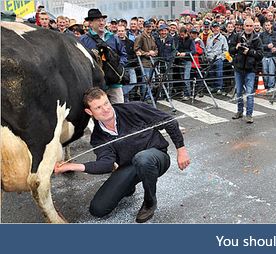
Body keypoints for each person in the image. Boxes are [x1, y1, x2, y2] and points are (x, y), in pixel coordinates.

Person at [54, 87, 190, 223]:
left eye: (106, 103)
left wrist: (181, 150)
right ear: (89, 112)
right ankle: (129, 185)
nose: (106, 109)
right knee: (98, 209)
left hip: (156, 157)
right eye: (98, 107)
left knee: (142, 159)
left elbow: (169, 122)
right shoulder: (98, 137)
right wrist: (71, 166)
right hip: (130, 166)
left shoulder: (133, 109)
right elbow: (106, 164)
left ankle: (149, 202)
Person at [80, 9, 127, 104]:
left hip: (115, 83)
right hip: (96, 85)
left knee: (120, 110)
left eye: (103, 20)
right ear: (90, 23)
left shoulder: (113, 37)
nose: (101, 23)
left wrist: (119, 66)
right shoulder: (83, 40)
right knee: (101, 112)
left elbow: (123, 55)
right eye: (98, 20)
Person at [229, 18, 263, 124]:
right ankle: (239, 111)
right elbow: (230, 50)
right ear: (243, 26)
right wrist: (236, 47)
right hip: (238, 69)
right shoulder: (237, 36)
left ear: (253, 27)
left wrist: (250, 51)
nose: (248, 28)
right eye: (247, 26)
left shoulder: (257, 39)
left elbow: (260, 55)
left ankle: (249, 115)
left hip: (250, 70)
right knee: (239, 92)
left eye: (250, 26)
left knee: (249, 93)